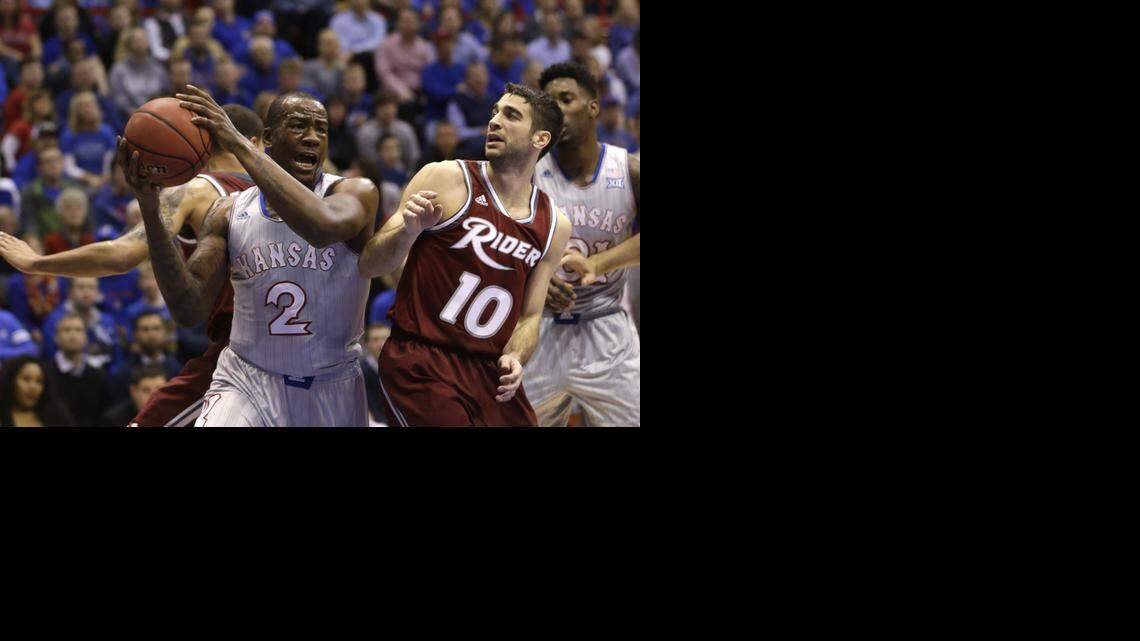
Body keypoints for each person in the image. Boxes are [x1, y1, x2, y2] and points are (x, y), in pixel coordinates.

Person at [0, 104, 265, 427]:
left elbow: (121, 254)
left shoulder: (198, 190)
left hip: (242, 349)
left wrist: (37, 262)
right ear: (256, 142)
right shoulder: (295, 195)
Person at [136, 86, 378, 427]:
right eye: (298, 126)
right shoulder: (228, 210)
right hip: (247, 379)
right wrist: (149, 208)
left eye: (320, 129)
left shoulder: (354, 192)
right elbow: (188, 309)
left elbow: (323, 228)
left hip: (332, 384)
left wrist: (235, 142)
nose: (312, 137)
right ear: (267, 137)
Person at [358, 82, 571, 426]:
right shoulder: (446, 178)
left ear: (540, 139)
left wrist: (516, 354)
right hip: (422, 360)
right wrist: (408, 230)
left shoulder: (553, 224)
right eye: (494, 112)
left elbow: (531, 316)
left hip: (489, 373)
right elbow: (370, 264)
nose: (495, 121)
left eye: (511, 115)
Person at [526, 62, 640, 426]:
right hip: (538, 330)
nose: (556, 109)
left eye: (566, 99)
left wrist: (598, 264)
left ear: (593, 107)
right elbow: (498, 249)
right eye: (549, 102)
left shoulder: (628, 170)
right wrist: (534, 283)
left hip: (606, 330)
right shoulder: (526, 175)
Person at [46, 312, 110, 423]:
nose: (72, 335)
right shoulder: (45, 373)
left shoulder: (99, 376)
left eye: (78, 330)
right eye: (66, 330)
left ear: (86, 338)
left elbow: (105, 414)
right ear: (56, 338)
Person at [110, 311, 181, 398]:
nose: (151, 334)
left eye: (156, 328)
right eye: (145, 329)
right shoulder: (123, 375)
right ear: (135, 335)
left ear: (165, 332)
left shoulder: (179, 369)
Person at [109, 26, 170, 124]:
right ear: (129, 44)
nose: (140, 43)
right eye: (136, 40)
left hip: (158, 116)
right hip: (128, 119)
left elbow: (165, 94)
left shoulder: (158, 68)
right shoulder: (118, 70)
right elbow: (119, 100)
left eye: (143, 39)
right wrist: (138, 114)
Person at [374, 8, 434, 106]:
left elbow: (429, 71)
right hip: (393, 91)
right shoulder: (386, 45)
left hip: (419, 90)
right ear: (397, 24)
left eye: (411, 21)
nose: (408, 24)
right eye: (404, 21)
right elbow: (383, 73)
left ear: (418, 24)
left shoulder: (424, 46)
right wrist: (400, 89)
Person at [0, 356, 75, 427]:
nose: (33, 387)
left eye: (39, 381)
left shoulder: (58, 416)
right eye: (26, 379)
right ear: (11, 381)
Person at [103, 363, 168, 427]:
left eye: (159, 389)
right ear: (133, 391)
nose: (153, 396)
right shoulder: (114, 420)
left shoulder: (173, 415)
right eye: (146, 390)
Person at [42, 188, 94, 255]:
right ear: (59, 212)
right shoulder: (51, 242)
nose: (74, 212)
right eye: (68, 207)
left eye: (79, 207)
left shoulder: (90, 242)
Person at [359, 322, 390, 426]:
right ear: (366, 344)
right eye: (375, 339)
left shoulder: (402, 370)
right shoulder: (360, 373)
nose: (381, 344)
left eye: (385, 338)